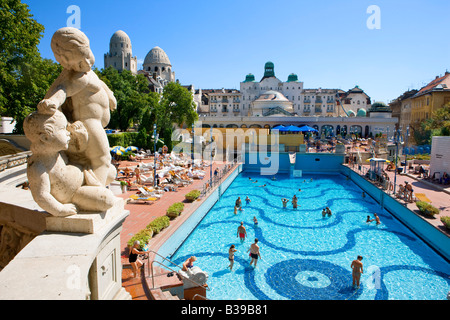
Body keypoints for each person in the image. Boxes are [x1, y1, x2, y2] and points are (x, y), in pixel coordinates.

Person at [38, 27, 117, 186]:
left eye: (88, 55)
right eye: (81, 62)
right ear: (65, 61)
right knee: (103, 159)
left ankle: (93, 183)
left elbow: (99, 83)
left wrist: (109, 94)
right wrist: (52, 102)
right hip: (89, 122)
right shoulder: (72, 75)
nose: (88, 63)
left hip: (96, 124)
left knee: (109, 169)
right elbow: (60, 90)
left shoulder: (88, 72)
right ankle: (97, 192)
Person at [23, 110, 116, 217]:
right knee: (106, 199)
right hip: (74, 193)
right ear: (45, 138)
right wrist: (60, 209)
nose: (68, 132)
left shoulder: (58, 153)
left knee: (111, 172)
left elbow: (78, 152)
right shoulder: (38, 166)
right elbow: (41, 196)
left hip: (84, 175)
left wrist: (80, 136)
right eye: (63, 129)